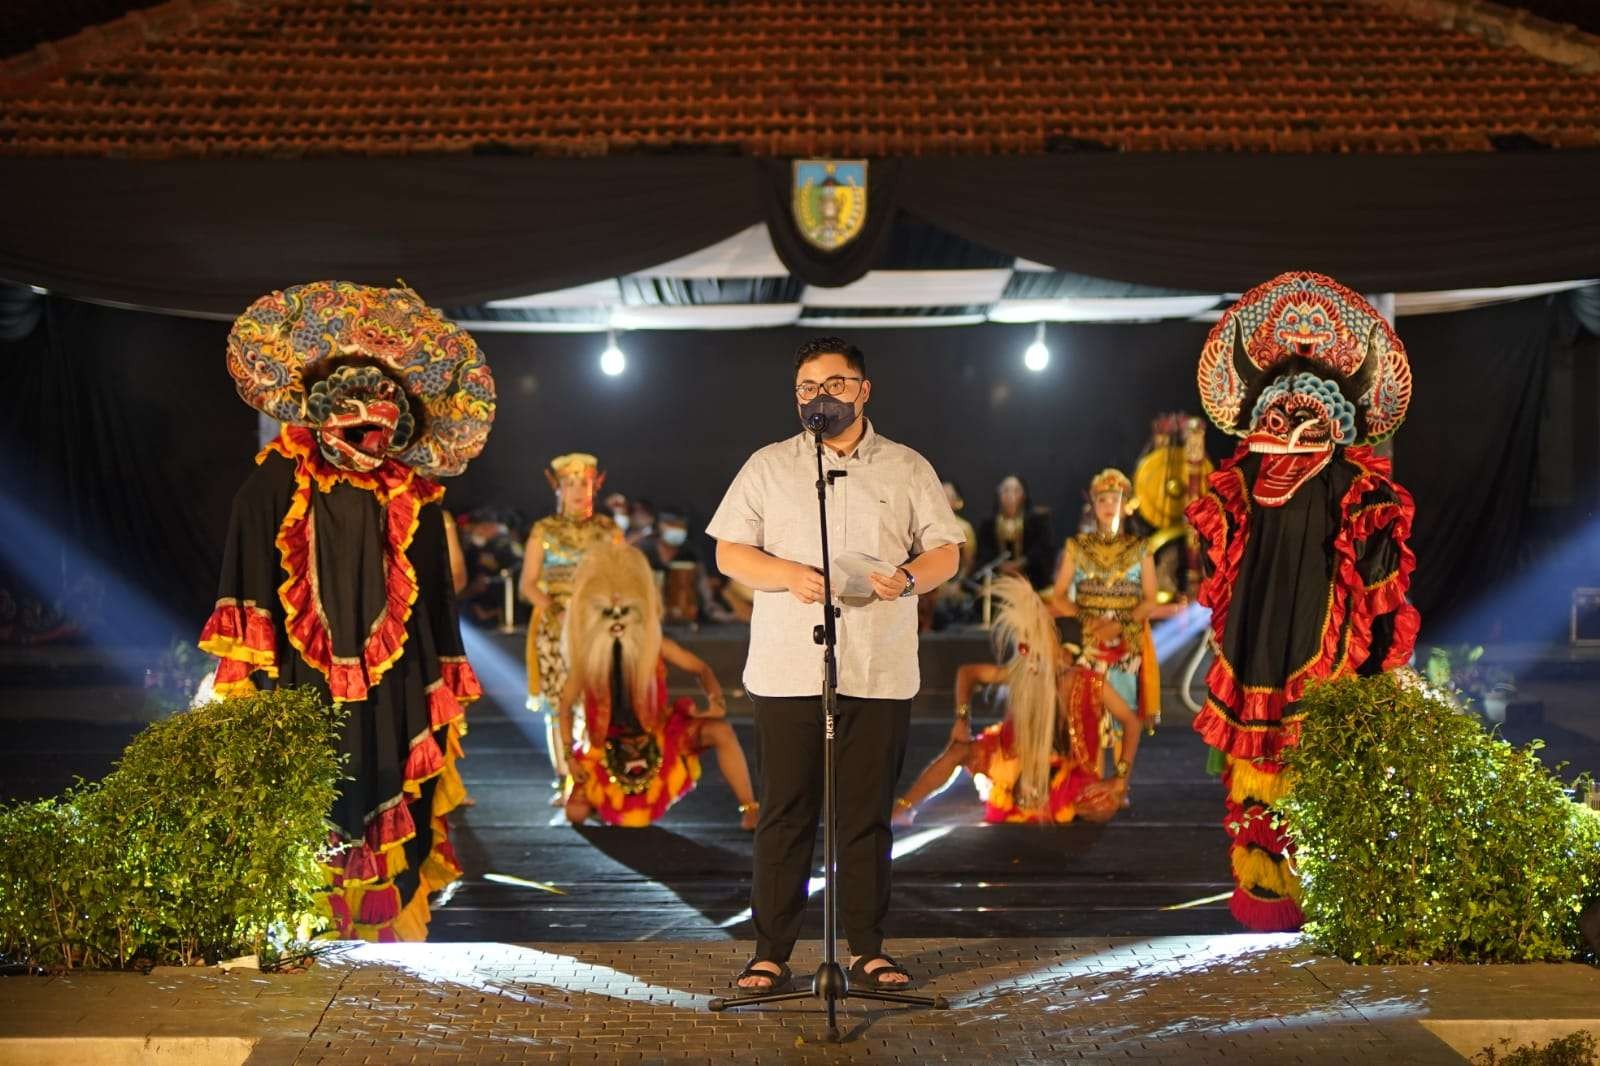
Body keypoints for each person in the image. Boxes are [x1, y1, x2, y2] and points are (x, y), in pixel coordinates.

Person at [199, 280, 495, 941]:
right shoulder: (276, 480)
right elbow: (249, 570)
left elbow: (431, 604)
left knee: (383, 778)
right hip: (300, 685)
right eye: (362, 420)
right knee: (307, 789)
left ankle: (378, 925)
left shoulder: (411, 498)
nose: (376, 437)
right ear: (324, 413)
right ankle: (303, 920)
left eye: (388, 425)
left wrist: (433, 681)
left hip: (389, 691)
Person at [709, 335, 964, 994]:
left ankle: (868, 949)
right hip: (790, 666)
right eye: (807, 389)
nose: (819, 397)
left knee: (865, 814)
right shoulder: (768, 466)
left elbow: (946, 553)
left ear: (864, 389)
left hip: (877, 667)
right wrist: (787, 572)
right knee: (785, 812)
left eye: (834, 384)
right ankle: (771, 951)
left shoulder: (907, 466)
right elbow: (729, 553)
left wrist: (907, 578)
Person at [892, 577, 1139, 826]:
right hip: (1014, 762)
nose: (1031, 652)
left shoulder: (1089, 682)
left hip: (1069, 773)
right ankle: (904, 808)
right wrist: (962, 719)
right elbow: (968, 673)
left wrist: (1120, 779)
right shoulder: (1024, 673)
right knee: (959, 750)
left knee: (1101, 807)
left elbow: (1132, 722)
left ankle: (1060, 801)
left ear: (1064, 651)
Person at [556, 541, 760, 830]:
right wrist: (569, 757)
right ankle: (603, 801)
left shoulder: (654, 645)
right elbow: (564, 707)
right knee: (575, 813)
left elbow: (700, 668)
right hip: (603, 748)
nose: (618, 623)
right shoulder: (588, 659)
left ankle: (750, 807)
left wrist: (716, 702)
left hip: (658, 736)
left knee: (720, 730)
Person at [521, 454, 622, 793]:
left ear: (596, 485)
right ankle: (565, 777)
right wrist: (558, 611)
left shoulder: (608, 530)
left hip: (599, 624)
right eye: (570, 484)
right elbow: (528, 584)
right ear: (559, 489)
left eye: (584, 483)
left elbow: (620, 579)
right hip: (555, 626)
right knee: (558, 703)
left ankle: (594, 774)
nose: (578, 490)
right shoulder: (544, 530)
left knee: (598, 698)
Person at [1051, 469, 1163, 727]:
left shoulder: (1141, 548)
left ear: (1126, 505)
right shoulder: (1077, 547)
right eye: (1102, 499)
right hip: (1087, 640)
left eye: (1115, 499)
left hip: (1125, 643)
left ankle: (1122, 768)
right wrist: (1087, 619)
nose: (1109, 505)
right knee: (1085, 721)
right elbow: (1058, 596)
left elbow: (1150, 599)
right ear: (1093, 505)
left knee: (1124, 720)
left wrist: (1119, 624)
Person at [975, 475, 1055, 589]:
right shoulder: (988, 524)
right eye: (1006, 490)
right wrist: (1001, 566)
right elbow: (983, 552)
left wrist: (1022, 563)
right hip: (997, 581)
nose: (1010, 496)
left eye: (1016, 491)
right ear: (999, 494)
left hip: (1031, 581)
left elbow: (1043, 549)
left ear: (1024, 495)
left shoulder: (1037, 521)